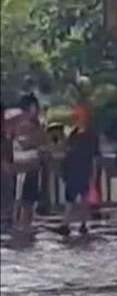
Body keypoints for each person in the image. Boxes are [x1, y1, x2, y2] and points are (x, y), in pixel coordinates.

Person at [53, 106, 100, 237]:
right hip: (73, 169)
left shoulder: (91, 136)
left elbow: (95, 156)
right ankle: (66, 224)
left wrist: (94, 173)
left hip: (84, 169)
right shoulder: (73, 134)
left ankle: (81, 223)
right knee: (70, 198)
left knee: (84, 198)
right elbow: (67, 150)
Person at [10, 95, 47, 233]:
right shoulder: (23, 125)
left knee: (29, 198)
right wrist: (37, 145)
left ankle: (25, 224)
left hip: (32, 165)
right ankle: (20, 224)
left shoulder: (37, 125)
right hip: (23, 167)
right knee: (22, 198)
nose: (36, 111)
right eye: (34, 108)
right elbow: (23, 143)